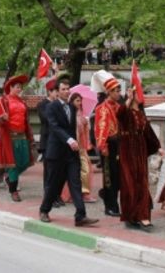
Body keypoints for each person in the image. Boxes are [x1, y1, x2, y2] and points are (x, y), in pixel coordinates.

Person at [38, 78, 99, 227]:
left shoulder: (72, 108)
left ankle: (80, 216)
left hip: (71, 154)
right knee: (54, 185)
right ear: (58, 91)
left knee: (75, 183)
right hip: (56, 152)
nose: (66, 92)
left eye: (68, 89)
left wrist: (77, 139)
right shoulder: (51, 107)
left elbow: (72, 129)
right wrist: (69, 140)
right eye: (63, 89)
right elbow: (54, 127)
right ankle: (44, 210)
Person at [118, 84, 160, 230]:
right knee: (129, 183)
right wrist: (128, 100)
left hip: (140, 151)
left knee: (142, 182)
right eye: (139, 93)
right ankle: (131, 216)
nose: (141, 96)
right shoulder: (127, 112)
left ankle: (143, 216)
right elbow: (119, 114)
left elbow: (148, 132)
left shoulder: (141, 114)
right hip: (127, 149)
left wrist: (158, 148)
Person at [0, 75, 34, 202]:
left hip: (22, 136)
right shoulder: (3, 101)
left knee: (25, 162)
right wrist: (2, 118)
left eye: (20, 87)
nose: (19, 89)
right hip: (9, 137)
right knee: (13, 165)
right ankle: (13, 190)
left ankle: (7, 175)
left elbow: (26, 120)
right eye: (17, 87)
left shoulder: (22, 102)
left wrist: (30, 136)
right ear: (10, 87)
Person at [92, 70, 122, 217]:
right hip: (108, 146)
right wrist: (102, 146)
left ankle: (107, 196)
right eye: (116, 91)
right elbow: (100, 129)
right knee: (109, 177)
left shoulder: (119, 107)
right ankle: (110, 206)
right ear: (109, 92)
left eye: (119, 90)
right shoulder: (101, 108)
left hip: (119, 146)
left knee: (119, 177)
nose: (118, 93)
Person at [61, 92, 96, 204]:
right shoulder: (68, 114)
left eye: (80, 101)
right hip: (71, 147)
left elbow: (84, 132)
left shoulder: (81, 114)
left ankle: (84, 193)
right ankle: (73, 194)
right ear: (72, 101)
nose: (79, 103)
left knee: (86, 168)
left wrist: (86, 123)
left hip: (81, 147)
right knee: (73, 172)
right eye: (77, 101)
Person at [38, 78, 60, 205]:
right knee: (49, 171)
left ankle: (56, 195)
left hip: (58, 141)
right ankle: (48, 197)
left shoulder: (59, 104)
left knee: (57, 170)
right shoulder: (42, 105)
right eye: (55, 91)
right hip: (47, 141)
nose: (57, 93)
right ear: (50, 92)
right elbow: (47, 120)